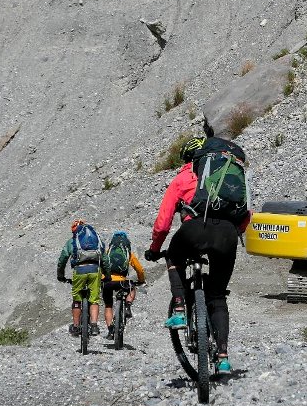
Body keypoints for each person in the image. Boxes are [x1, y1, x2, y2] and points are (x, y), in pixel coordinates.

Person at [144, 134, 249, 375]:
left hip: (194, 230)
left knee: (174, 256)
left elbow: (162, 223)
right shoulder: (232, 174)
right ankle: (222, 358)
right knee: (218, 296)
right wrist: (231, 232)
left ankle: (180, 309)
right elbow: (246, 215)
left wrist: (154, 249)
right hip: (227, 235)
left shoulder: (183, 177)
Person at [56, 220, 103, 337]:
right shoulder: (96, 240)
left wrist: (60, 276)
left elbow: (62, 259)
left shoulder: (72, 242)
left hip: (79, 270)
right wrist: (106, 275)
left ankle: (76, 326)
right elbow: (105, 258)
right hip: (95, 270)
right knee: (94, 299)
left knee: (77, 299)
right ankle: (94, 326)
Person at [99, 230, 147, 339]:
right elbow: (139, 270)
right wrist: (141, 280)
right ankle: (128, 306)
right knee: (132, 288)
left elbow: (100, 266)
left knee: (108, 305)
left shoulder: (108, 252)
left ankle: (111, 330)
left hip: (107, 282)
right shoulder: (128, 253)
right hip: (121, 281)